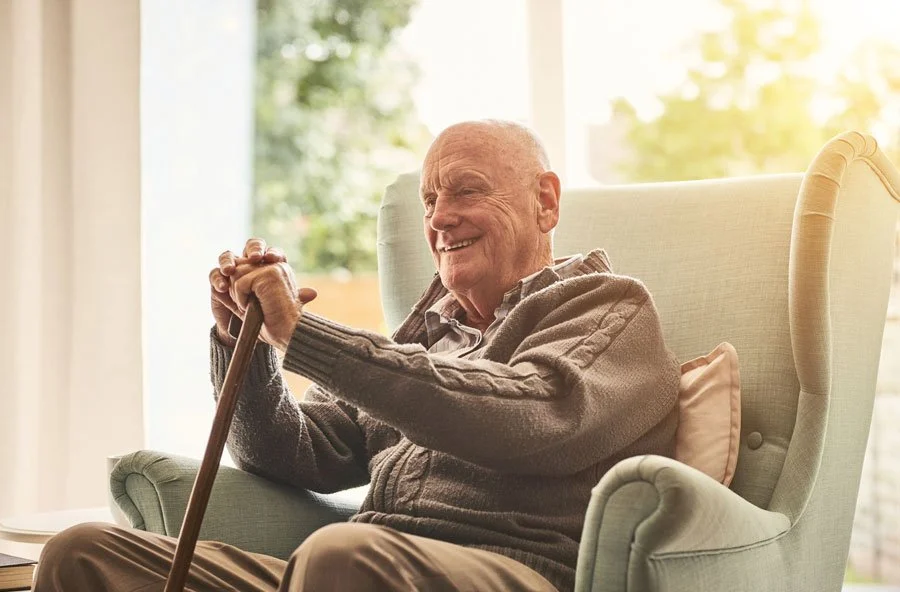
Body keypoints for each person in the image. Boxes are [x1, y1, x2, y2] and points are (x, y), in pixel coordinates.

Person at [33, 120, 679, 591]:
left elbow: (525, 416)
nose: (440, 219)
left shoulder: (606, 308)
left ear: (546, 201)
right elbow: (293, 451)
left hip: (506, 570)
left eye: (466, 192)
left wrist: (304, 334)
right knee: (81, 555)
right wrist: (249, 346)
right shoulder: (425, 334)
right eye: (430, 200)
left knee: (340, 557)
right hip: (347, 571)